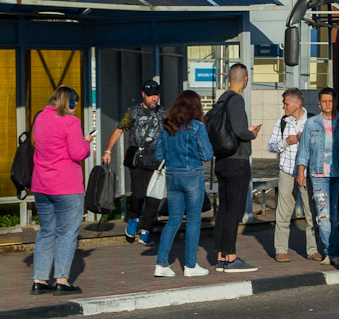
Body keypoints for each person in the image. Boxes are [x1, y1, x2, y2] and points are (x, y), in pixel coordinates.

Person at [30, 86, 90, 294]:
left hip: (41, 185)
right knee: (67, 233)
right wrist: (87, 143)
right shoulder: (71, 122)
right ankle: (62, 280)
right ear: (69, 102)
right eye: (75, 105)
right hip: (66, 186)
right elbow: (77, 154)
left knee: (46, 232)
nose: (75, 110)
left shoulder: (40, 119)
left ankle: (39, 280)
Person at [153, 90, 214, 278]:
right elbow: (207, 155)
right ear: (195, 106)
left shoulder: (167, 126)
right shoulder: (197, 127)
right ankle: (190, 265)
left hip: (172, 177)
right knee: (194, 220)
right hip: (192, 175)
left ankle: (161, 264)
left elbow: (158, 155)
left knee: (173, 220)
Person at [102, 81, 165, 245]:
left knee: (154, 198)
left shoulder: (163, 113)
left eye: (156, 95)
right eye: (150, 95)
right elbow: (119, 130)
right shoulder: (134, 112)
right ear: (143, 95)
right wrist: (108, 150)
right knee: (138, 193)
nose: (154, 98)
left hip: (157, 161)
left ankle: (145, 230)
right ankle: (134, 219)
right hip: (138, 159)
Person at [211, 63, 260, 273]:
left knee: (223, 209)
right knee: (235, 209)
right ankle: (231, 257)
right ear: (245, 80)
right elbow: (241, 132)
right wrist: (252, 133)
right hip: (237, 161)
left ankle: (220, 255)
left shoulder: (220, 99)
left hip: (221, 160)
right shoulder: (237, 100)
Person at [267, 88, 320, 263]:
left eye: (286, 103)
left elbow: (320, 146)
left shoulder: (312, 121)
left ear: (297, 104)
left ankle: (313, 250)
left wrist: (306, 139)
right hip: (287, 171)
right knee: (283, 212)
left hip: (306, 173)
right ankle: (281, 250)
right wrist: (286, 142)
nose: (284, 107)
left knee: (311, 211)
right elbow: (271, 146)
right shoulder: (282, 121)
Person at [297, 87, 339, 265]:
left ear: (335, 102)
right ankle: (331, 252)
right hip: (318, 174)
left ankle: (337, 251)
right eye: (324, 101)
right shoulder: (312, 123)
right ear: (319, 102)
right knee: (323, 216)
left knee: (335, 216)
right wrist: (300, 172)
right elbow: (304, 151)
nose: (327, 104)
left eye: (330, 101)